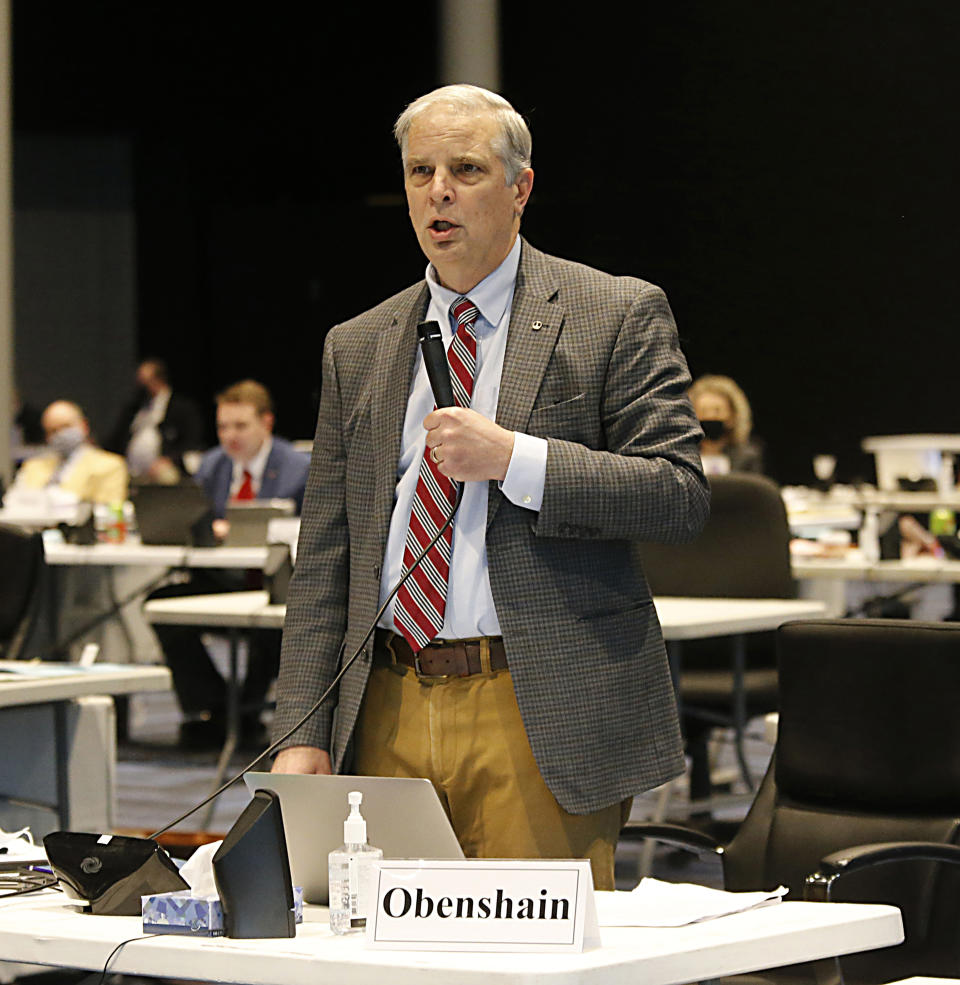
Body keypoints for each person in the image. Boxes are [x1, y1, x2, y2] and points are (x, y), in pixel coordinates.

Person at [270, 84, 709, 889]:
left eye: (466, 169)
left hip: (533, 704)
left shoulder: (613, 310)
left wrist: (519, 459)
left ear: (520, 188)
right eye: (420, 171)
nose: (439, 190)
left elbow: (677, 491)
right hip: (387, 702)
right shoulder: (357, 345)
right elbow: (326, 552)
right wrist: (301, 726)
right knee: (384, 964)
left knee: (529, 967)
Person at [151, 380, 309, 749]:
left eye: (240, 426)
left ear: (266, 423)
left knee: (271, 625)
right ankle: (214, 707)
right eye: (223, 427)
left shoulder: (298, 469)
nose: (230, 436)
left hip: (275, 584)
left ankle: (248, 711)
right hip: (223, 576)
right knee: (162, 606)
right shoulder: (211, 466)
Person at [7, 400, 128, 505]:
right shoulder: (33, 466)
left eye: (65, 426)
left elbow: (108, 510)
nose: (59, 434)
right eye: (52, 430)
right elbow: (17, 502)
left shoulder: (110, 465)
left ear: (84, 426)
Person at [106, 358, 205, 481]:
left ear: (158, 379)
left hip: (165, 467)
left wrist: (170, 460)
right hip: (129, 468)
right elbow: (115, 440)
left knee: (167, 476)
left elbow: (192, 442)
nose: (142, 386)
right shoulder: (134, 408)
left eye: (146, 381)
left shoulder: (181, 407)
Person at [688, 374, 764, 475]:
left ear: (732, 416)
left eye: (717, 410)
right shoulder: (684, 457)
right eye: (704, 411)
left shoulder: (748, 458)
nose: (710, 417)